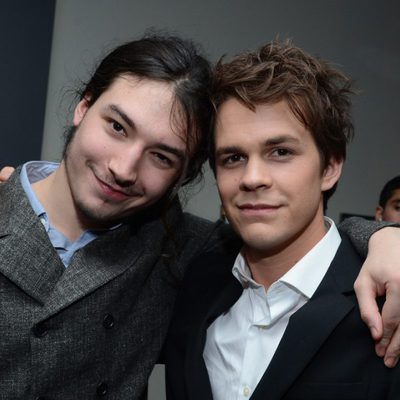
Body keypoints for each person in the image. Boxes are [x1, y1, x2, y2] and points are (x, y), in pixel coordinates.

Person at [0, 33, 399, 399]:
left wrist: (384, 237)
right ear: (83, 106)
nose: (124, 168)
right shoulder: (200, 278)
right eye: (118, 127)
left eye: (161, 156)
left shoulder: (178, 250)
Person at [164, 40, 400, 399]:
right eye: (233, 157)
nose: (252, 177)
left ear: (330, 167)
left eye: (280, 152)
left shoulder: (388, 301)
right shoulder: (193, 285)